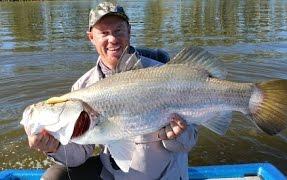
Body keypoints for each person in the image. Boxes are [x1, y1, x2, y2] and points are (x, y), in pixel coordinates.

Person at [24, 2, 198, 180]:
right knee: (55, 175)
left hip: (165, 176)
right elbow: (80, 152)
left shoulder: (163, 73)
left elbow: (188, 142)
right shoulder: (82, 87)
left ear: (129, 31)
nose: (113, 39)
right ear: (91, 37)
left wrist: (176, 136)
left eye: (118, 31)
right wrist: (54, 147)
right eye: (104, 33)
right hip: (114, 175)